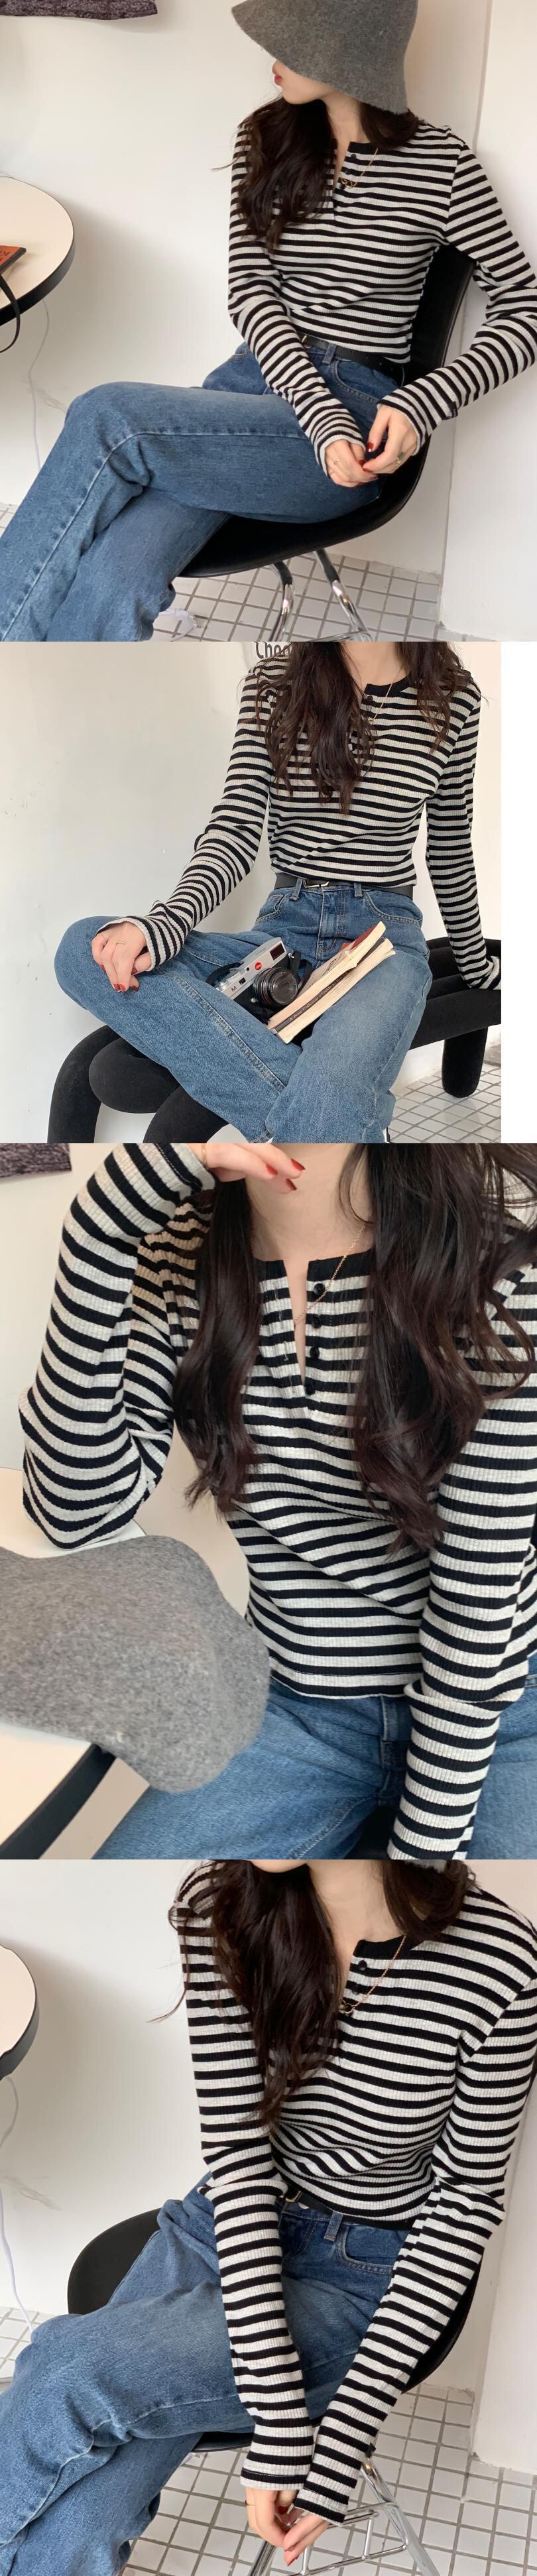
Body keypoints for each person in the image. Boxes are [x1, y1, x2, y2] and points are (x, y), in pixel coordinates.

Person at [1, 1857, 536, 2576]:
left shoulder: (500, 1961)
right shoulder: (225, 1905)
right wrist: (279, 2414)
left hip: (364, 2268)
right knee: (87, 2510)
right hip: (226, 2222)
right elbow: (240, 2157)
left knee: (68, 2370)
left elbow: (464, 2202)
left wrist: (337, 2442)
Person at [1, 0, 536, 642]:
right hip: (252, 388)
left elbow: (525, 310)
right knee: (118, 572)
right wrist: (315, 411)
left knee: (107, 415)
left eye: (293, 38)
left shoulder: (444, 168)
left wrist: (421, 402)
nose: (270, 54)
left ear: (350, 52)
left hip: (356, 416)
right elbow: (251, 291)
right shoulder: (266, 139)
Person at [19, 1135, 537, 1860]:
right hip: (293, 1705)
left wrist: (422, 1855)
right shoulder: (175, 1257)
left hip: (496, 1712)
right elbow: (78, 1511)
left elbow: (477, 1595)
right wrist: (98, 1236)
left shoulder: (497, 1273)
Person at [50, 640, 497, 1145]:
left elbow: (451, 849)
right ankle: (336, 1128)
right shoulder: (273, 683)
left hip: (383, 940)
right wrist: (164, 924)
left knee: (333, 1087)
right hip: (284, 930)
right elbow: (235, 830)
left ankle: (325, 1122)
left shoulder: (453, 697)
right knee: (83, 947)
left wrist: (477, 967)